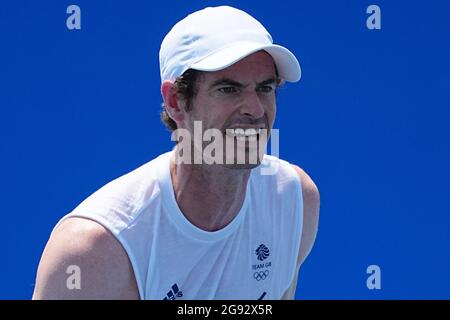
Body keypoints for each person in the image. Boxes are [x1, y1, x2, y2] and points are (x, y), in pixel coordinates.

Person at [32, 5, 320, 300]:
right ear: (175, 102)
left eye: (265, 88)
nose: (256, 109)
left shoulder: (294, 200)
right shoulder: (93, 251)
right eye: (228, 89)